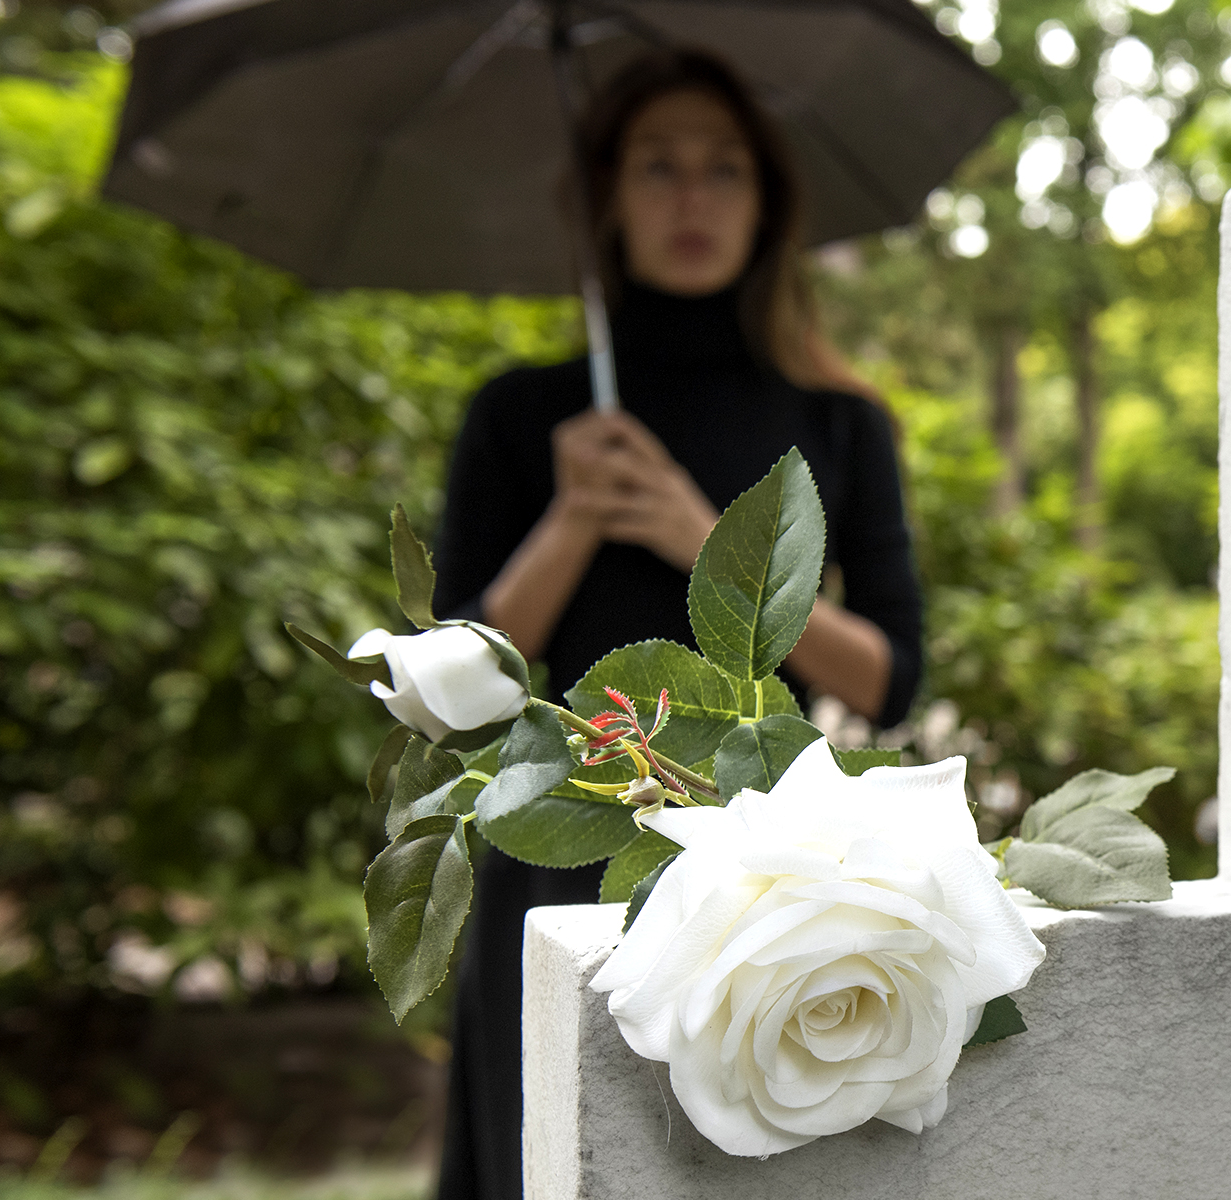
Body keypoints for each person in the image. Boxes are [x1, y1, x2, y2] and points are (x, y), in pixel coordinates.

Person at [424, 50, 924, 1200]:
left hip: (764, 862)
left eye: (724, 168)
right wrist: (570, 520)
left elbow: (891, 674)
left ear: (766, 201)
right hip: (558, 847)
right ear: (606, 196)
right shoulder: (524, 415)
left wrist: (708, 540)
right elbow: (462, 681)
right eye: (658, 167)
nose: (692, 197)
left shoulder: (838, 423)